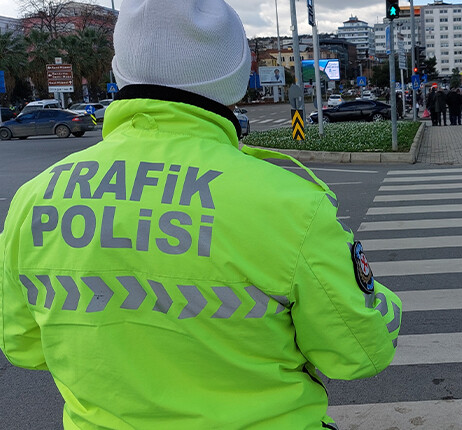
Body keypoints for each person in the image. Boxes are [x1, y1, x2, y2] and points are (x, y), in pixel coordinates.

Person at [0, 1, 402, 429]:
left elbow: (24, 346)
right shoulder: (289, 203)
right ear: (234, 77)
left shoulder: (36, 197)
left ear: (122, 70)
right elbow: (361, 351)